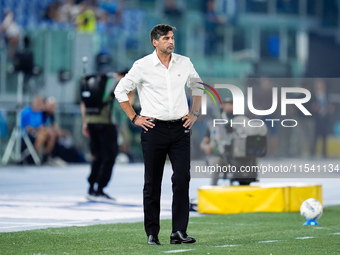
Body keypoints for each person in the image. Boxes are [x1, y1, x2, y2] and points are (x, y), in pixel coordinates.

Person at [114, 24, 203, 245]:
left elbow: (198, 85)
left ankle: (178, 232)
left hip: (181, 128)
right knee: (152, 182)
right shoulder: (142, 65)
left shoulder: (184, 62)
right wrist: (134, 117)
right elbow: (120, 91)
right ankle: (152, 233)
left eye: (172, 37)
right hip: (154, 129)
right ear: (155, 42)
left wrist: (195, 113)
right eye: (165, 38)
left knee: (182, 179)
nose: (171, 41)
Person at [81, 73, 119, 202]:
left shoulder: (91, 81)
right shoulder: (115, 82)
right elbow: (126, 102)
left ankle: (91, 187)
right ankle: (100, 188)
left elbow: (83, 103)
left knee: (97, 155)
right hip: (106, 123)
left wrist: (85, 121)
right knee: (109, 156)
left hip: (91, 121)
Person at [200, 98, 234, 185]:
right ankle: (213, 188)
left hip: (235, 157)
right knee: (216, 163)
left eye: (231, 105)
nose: (229, 107)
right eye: (227, 105)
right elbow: (203, 143)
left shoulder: (241, 122)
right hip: (218, 156)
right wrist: (206, 147)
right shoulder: (213, 125)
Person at [21, 96, 57, 163]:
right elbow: (28, 128)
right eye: (39, 103)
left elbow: (41, 126)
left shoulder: (39, 113)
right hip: (26, 134)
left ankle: (45, 157)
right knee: (42, 135)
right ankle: (34, 157)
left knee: (51, 135)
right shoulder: (27, 112)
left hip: (37, 132)